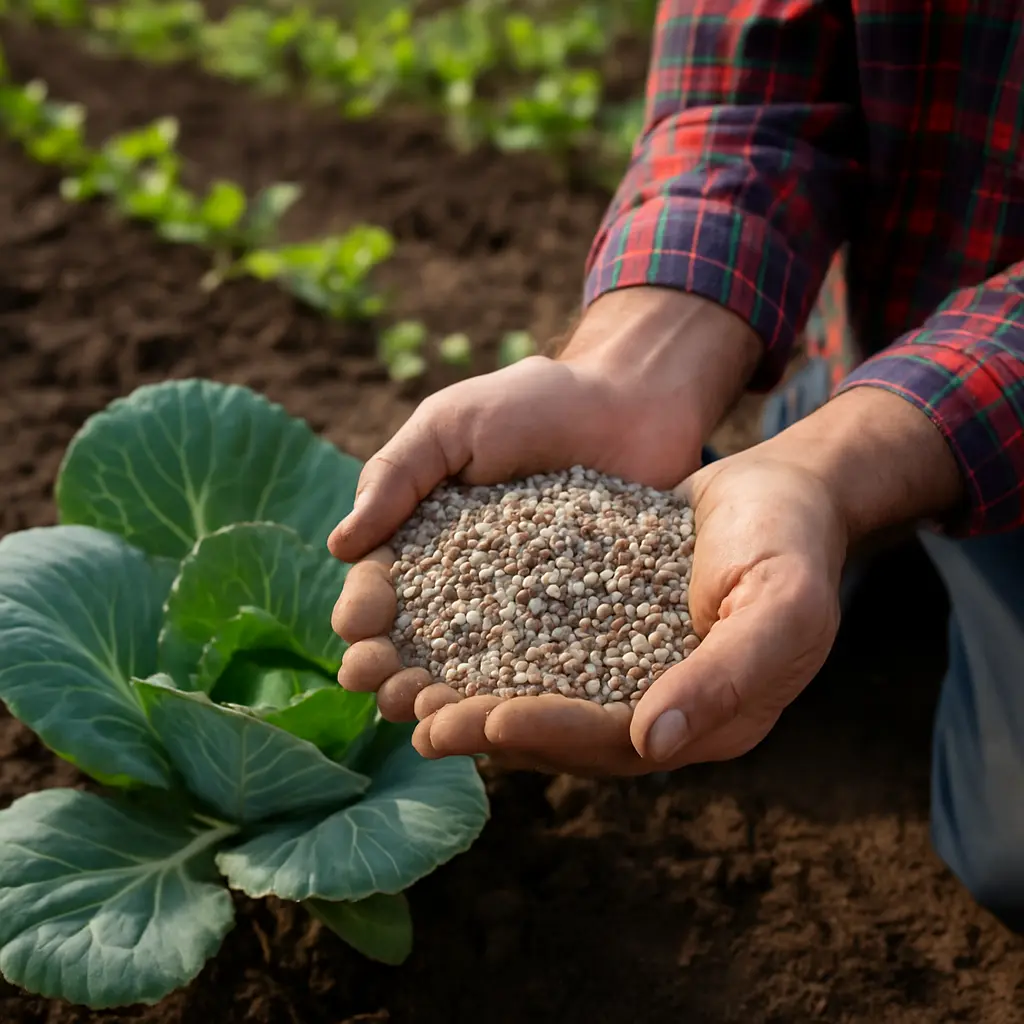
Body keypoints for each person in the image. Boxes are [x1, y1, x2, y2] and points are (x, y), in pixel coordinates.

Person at [328, 1, 1024, 932]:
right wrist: (628, 366)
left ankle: (880, 524)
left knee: (1013, 860)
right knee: (775, 610)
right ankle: (859, 517)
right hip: (867, 344)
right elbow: (746, 99)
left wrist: (833, 465)